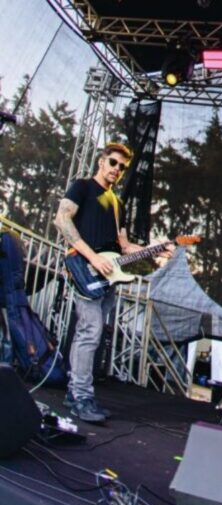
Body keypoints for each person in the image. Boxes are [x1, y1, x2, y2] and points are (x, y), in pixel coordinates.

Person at [54, 143, 145, 423]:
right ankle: (82, 396)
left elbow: (125, 246)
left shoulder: (117, 204)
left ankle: (75, 394)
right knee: (90, 331)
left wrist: (157, 250)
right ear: (101, 161)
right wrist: (93, 257)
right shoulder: (82, 187)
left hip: (108, 277)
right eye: (113, 163)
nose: (117, 169)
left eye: (122, 167)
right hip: (85, 269)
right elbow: (62, 220)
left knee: (91, 333)